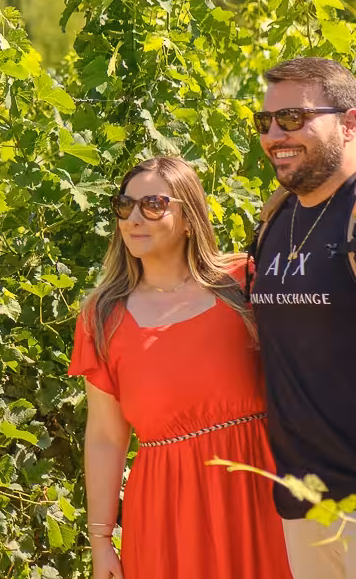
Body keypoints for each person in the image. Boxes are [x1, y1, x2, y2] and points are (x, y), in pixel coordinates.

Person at [70, 155, 291, 579]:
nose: (135, 217)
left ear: (189, 217)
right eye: (125, 205)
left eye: (153, 204)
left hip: (261, 486)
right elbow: (104, 438)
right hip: (167, 505)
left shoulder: (243, 282)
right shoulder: (102, 316)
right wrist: (100, 541)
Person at [251, 57, 356, 579]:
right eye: (265, 122)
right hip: (305, 502)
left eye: (294, 118)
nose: (275, 135)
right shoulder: (276, 218)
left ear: (349, 122)